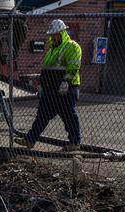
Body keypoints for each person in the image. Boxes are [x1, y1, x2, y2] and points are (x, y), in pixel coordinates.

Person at [15, 20, 82, 152]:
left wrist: (66, 82)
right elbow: (45, 70)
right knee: (42, 116)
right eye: (52, 34)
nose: (53, 37)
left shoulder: (72, 46)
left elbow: (74, 66)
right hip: (50, 90)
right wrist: (42, 85)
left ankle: (75, 142)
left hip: (65, 89)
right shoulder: (52, 50)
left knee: (69, 115)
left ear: (62, 33)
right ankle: (30, 140)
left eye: (55, 34)